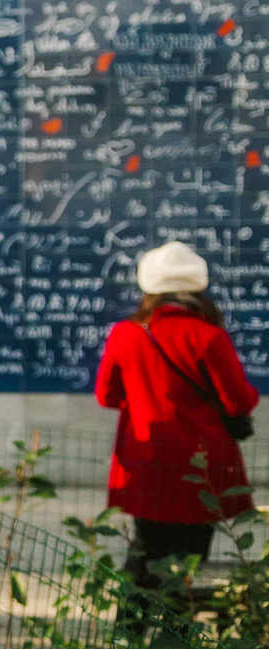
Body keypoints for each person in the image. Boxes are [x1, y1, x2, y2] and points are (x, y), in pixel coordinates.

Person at [94, 241, 258, 592]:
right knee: (189, 562)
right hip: (202, 468)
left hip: (145, 464)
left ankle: (130, 638)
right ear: (196, 287)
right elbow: (237, 403)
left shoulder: (126, 334)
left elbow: (106, 396)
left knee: (144, 553)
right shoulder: (208, 336)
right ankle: (178, 639)